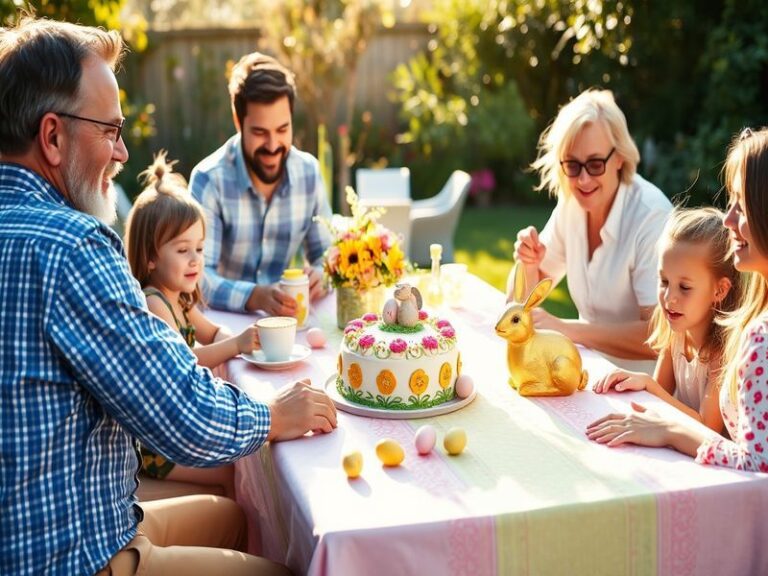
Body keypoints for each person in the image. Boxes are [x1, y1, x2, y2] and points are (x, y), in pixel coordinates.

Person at [0, 17, 336, 576]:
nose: (124, 153)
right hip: (74, 554)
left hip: (79, 518)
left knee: (236, 519)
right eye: (109, 131)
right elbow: (177, 414)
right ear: (53, 137)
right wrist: (275, 416)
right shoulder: (72, 246)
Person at [586, 127, 768, 473]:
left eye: (740, 206)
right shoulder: (749, 322)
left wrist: (672, 431)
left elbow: (758, 463)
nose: (728, 218)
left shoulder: (755, 336)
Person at [125, 152, 264, 499]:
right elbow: (186, 360)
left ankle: (226, 526)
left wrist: (232, 338)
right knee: (231, 470)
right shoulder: (155, 302)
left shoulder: (181, 300)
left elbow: (212, 331)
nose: (195, 261)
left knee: (238, 462)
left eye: (200, 249)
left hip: (178, 425)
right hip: (159, 443)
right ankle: (227, 534)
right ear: (151, 256)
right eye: (183, 250)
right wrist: (236, 346)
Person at [509, 88, 672, 372]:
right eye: (572, 165)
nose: (583, 179)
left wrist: (567, 329)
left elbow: (659, 335)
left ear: (620, 157)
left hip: (644, 387)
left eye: (595, 164)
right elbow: (520, 304)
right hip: (587, 371)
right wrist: (527, 263)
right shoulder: (571, 205)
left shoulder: (650, 215)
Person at [189, 51, 332, 315]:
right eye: (259, 132)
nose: (273, 145)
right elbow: (196, 276)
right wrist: (255, 296)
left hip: (289, 324)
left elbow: (328, 254)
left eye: (282, 130)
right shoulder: (209, 180)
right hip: (222, 326)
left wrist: (322, 274)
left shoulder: (309, 173)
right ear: (237, 121)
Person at [592, 207, 742, 432]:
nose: (669, 297)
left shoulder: (722, 354)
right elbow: (655, 401)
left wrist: (649, 385)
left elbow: (707, 428)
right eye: (663, 281)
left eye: (684, 287)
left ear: (719, 290)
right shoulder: (676, 334)